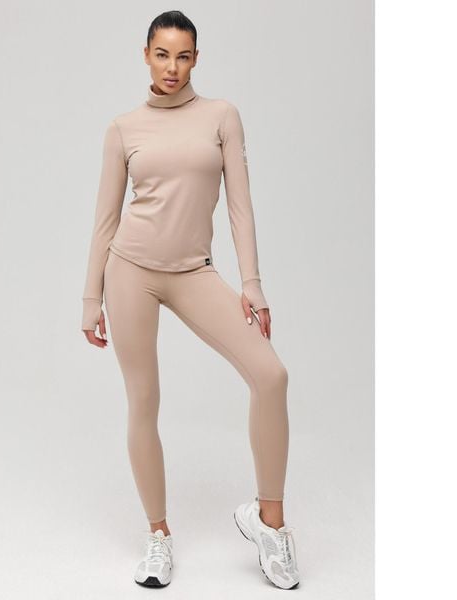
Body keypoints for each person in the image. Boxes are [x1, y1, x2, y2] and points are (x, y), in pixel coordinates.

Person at [81, 10, 300, 590]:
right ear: (145, 55)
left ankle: (269, 522)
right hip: (130, 272)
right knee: (144, 400)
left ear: (196, 58)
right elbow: (105, 219)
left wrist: (251, 283)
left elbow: (240, 206)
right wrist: (90, 297)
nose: (172, 67)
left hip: (193, 272)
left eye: (183, 56)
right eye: (162, 54)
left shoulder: (221, 116)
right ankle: (158, 536)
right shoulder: (123, 129)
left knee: (271, 375)